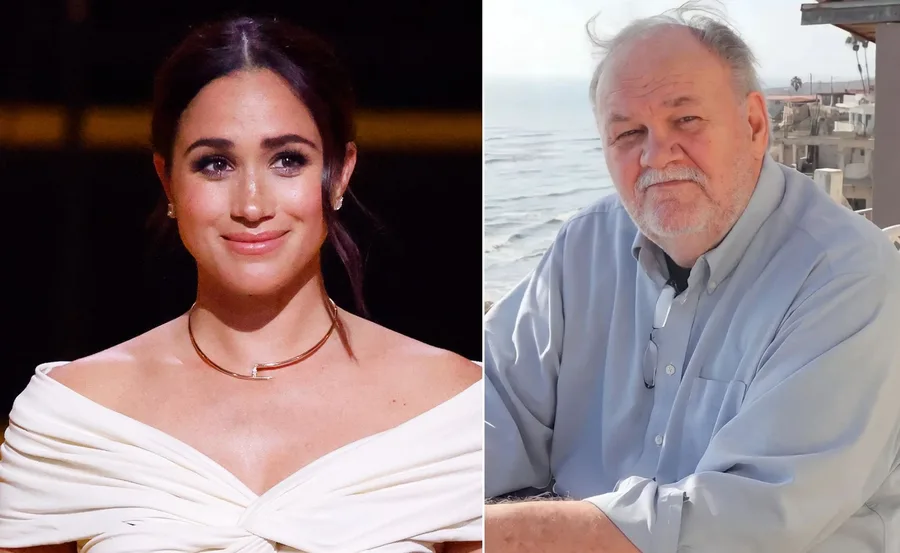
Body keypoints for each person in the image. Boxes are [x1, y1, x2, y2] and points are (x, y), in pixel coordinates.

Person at [0, 16, 482, 553]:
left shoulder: (453, 414)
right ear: (167, 179)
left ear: (341, 173)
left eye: (287, 160)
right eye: (215, 164)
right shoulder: (72, 421)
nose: (252, 205)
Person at [483, 6, 900, 553]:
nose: (656, 155)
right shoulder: (582, 248)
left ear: (754, 125)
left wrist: (507, 535)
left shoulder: (846, 278)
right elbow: (491, 414)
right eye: (629, 132)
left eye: (686, 121)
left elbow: (742, 525)